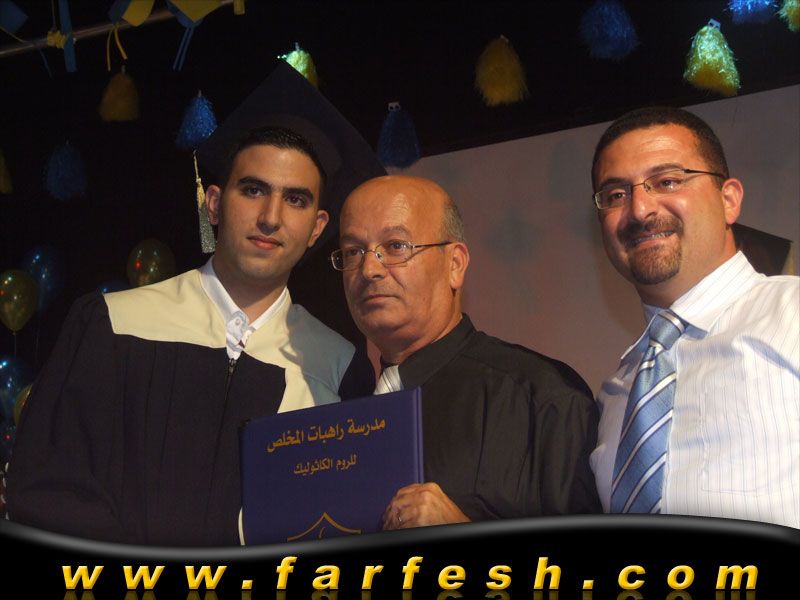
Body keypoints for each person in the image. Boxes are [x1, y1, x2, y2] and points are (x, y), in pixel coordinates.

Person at [6, 62, 384, 545]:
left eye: (296, 199)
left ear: (317, 227)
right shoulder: (113, 326)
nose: (271, 217)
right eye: (253, 190)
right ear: (214, 203)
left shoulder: (338, 369)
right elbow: (45, 491)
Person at [333, 175, 601, 528]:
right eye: (353, 252)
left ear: (455, 264)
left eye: (396, 246)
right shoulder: (339, 414)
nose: (369, 269)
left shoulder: (542, 396)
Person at [589, 106, 799, 527]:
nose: (640, 209)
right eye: (615, 195)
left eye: (667, 181)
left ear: (729, 200)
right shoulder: (618, 391)